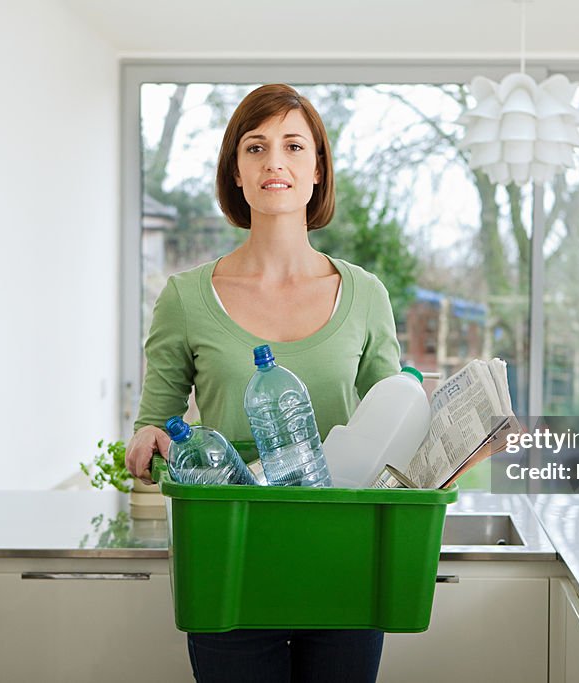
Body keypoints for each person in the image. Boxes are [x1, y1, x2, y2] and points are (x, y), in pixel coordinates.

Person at [125, 83, 401, 682]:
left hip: (344, 559)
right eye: (255, 147)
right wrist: (150, 440)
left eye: (293, 145)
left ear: (317, 170)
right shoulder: (185, 298)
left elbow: (398, 432)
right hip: (229, 560)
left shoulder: (365, 296)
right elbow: (153, 424)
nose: (275, 161)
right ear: (237, 173)